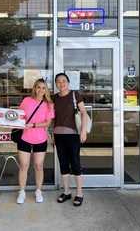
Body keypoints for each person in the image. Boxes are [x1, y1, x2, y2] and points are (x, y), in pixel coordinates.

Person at [16, 78, 54, 204]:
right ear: (34, 88)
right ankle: (22, 192)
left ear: (46, 90)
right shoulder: (27, 100)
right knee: (24, 166)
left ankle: (38, 191)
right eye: (38, 87)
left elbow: (47, 123)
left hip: (40, 139)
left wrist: (32, 125)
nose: (41, 90)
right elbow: (19, 116)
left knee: (38, 166)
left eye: (44, 88)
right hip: (25, 138)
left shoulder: (49, 104)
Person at [53, 73, 88, 207]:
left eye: (63, 81)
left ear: (68, 82)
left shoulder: (75, 95)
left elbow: (83, 113)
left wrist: (83, 131)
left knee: (75, 162)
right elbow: (52, 117)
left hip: (73, 135)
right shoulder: (54, 98)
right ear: (56, 84)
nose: (61, 84)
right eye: (58, 81)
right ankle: (67, 192)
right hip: (58, 135)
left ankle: (79, 193)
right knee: (63, 163)